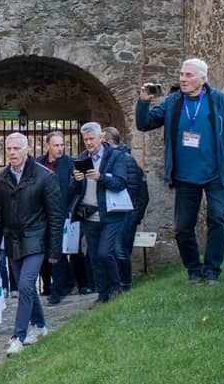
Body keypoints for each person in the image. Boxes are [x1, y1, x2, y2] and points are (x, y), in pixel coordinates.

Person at [136, 58, 224, 285]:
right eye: (181, 74)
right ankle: (194, 270)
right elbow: (144, 124)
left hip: (216, 172)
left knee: (217, 219)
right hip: (185, 176)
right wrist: (143, 102)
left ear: (203, 79)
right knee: (183, 227)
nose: (183, 79)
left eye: (188, 75)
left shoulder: (219, 100)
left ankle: (212, 270)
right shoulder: (173, 102)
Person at [0, 132, 63, 356]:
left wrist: (54, 249)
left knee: (24, 285)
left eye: (16, 148)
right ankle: (39, 326)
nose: (12, 153)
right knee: (27, 287)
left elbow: (56, 215)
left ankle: (18, 336)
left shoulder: (44, 176)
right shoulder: (3, 178)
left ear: (26, 149)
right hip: (12, 241)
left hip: (36, 238)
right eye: (9, 149)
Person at [70, 122, 130, 303]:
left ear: (100, 138)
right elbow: (74, 189)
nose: (89, 143)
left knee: (105, 252)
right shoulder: (81, 158)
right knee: (94, 257)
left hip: (111, 213)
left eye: (91, 139)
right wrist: (76, 180)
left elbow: (120, 183)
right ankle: (102, 295)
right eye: (85, 139)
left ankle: (116, 286)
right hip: (89, 213)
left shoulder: (115, 156)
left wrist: (100, 177)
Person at [101, 127, 146, 290]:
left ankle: (125, 284)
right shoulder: (113, 158)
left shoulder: (124, 159)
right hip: (116, 212)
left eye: (101, 141)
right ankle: (115, 284)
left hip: (125, 212)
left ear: (108, 142)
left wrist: (133, 215)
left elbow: (133, 189)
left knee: (120, 250)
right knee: (112, 250)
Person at [38, 131, 75, 304]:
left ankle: (57, 290)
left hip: (61, 214)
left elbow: (76, 189)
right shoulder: (38, 164)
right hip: (41, 215)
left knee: (58, 251)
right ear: (48, 146)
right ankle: (50, 285)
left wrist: (70, 209)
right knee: (43, 251)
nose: (60, 148)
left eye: (62, 145)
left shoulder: (70, 163)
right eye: (56, 145)